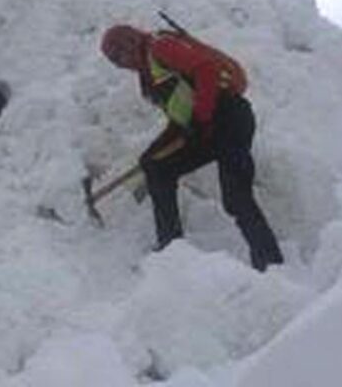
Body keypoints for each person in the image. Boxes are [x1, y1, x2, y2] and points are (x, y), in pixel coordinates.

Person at [99, 23, 284, 271]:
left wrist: (202, 116)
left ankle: (271, 264)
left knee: (236, 198)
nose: (122, 64)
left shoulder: (160, 46)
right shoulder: (149, 75)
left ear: (130, 43)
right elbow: (180, 118)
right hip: (205, 130)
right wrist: (154, 150)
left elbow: (205, 69)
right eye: (115, 62)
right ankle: (171, 250)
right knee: (158, 168)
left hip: (229, 118)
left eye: (120, 55)